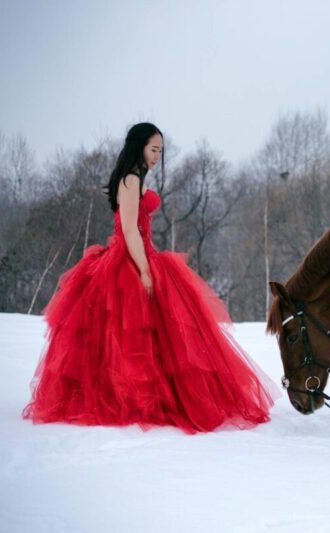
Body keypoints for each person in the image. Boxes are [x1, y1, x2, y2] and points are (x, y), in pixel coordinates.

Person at [23, 123, 278, 433]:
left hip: (142, 253)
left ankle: (149, 395)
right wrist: (144, 269)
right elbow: (130, 229)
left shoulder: (135, 177)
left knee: (155, 332)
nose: (158, 156)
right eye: (153, 149)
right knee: (128, 332)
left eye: (161, 150)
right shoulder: (130, 179)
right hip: (129, 258)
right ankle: (129, 396)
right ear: (139, 146)